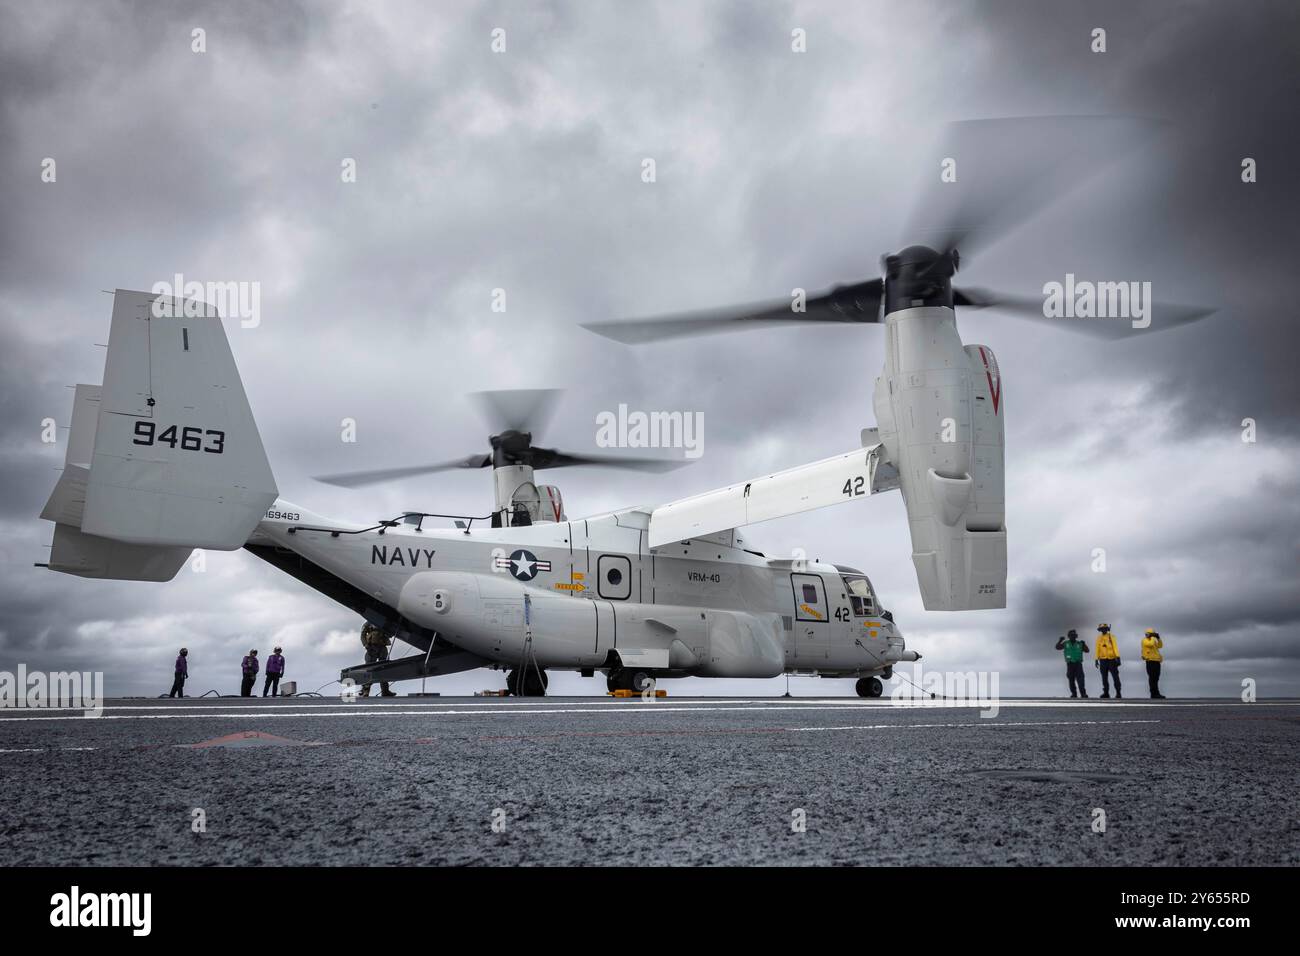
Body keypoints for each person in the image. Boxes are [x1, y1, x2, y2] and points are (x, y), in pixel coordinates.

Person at [358, 624, 396, 698]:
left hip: (382, 647)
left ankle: (385, 691)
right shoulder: (368, 623)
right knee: (369, 669)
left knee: (384, 669)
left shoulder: (384, 622)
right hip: (372, 647)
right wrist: (366, 645)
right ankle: (365, 691)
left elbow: (390, 633)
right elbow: (362, 635)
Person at [1054, 629, 1089, 698]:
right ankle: (1074, 694)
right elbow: (1057, 647)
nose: (1072, 637)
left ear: (1076, 636)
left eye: (1074, 635)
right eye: (1071, 635)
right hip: (1070, 664)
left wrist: (1084, 644)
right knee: (1071, 680)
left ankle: (1083, 694)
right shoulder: (1066, 643)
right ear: (1069, 636)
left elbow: (1087, 650)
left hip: (1078, 664)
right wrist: (1060, 641)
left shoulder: (1080, 643)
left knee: (1080, 680)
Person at [1094, 623, 1122, 699]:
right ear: (1100, 630)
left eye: (1105, 628)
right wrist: (1096, 659)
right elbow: (1097, 649)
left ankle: (1118, 692)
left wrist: (1118, 657)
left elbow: (1115, 647)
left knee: (1115, 677)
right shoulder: (1098, 638)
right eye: (1102, 629)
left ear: (1107, 629)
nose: (1103, 630)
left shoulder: (1111, 637)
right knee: (1104, 677)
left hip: (1112, 659)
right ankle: (1106, 693)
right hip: (1102, 660)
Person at [1141, 628, 1166, 698]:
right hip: (1150, 661)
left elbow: (1160, 646)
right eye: (1148, 634)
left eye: (1149, 634)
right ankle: (1153, 693)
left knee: (1156, 678)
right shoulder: (1144, 640)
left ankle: (1156, 693)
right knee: (1152, 678)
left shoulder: (1153, 640)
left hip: (1156, 661)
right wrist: (1152, 637)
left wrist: (1158, 638)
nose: (1147, 635)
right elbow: (1151, 644)